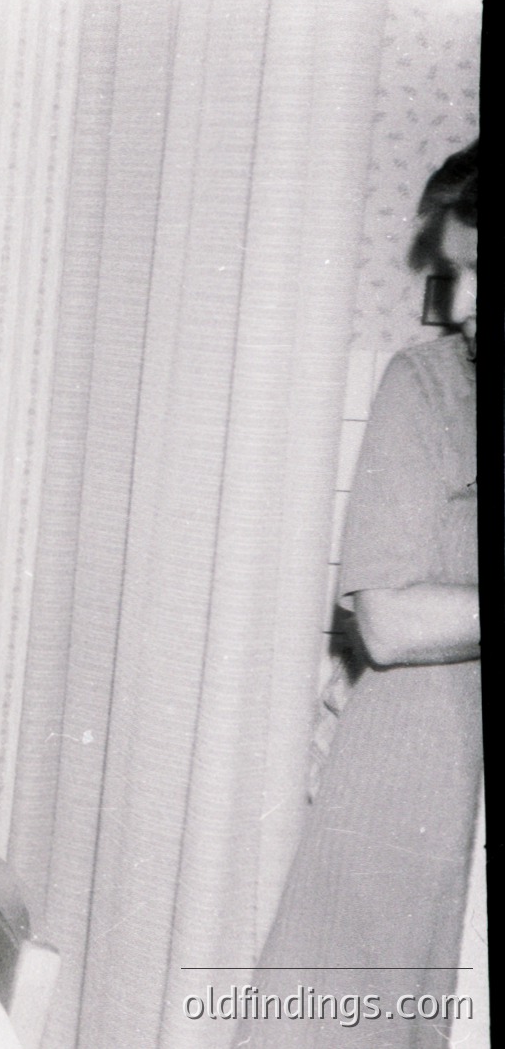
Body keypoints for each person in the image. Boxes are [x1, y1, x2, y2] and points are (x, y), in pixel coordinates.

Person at [237, 140, 480, 1047]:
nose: (454, 305)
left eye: (476, 272)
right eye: (454, 275)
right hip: (413, 789)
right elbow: (386, 619)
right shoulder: (425, 388)